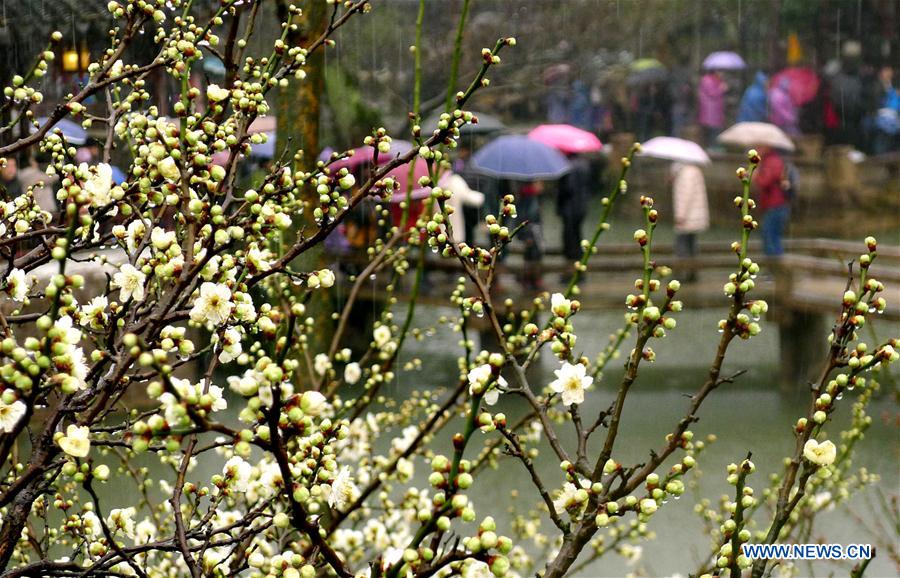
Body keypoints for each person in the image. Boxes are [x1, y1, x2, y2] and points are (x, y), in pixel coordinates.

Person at [670, 162, 709, 283]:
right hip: (694, 215)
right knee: (691, 245)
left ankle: (681, 272)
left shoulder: (686, 173)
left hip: (688, 216)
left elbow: (685, 196)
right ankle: (692, 272)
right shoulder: (694, 171)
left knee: (682, 245)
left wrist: (680, 215)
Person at [753, 147, 791, 258]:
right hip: (776, 205)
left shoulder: (772, 162)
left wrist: (756, 174)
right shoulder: (771, 161)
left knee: (770, 236)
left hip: (775, 205)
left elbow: (765, 182)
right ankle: (775, 269)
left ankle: (775, 269)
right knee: (773, 236)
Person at [556, 154, 591, 270]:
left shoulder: (566, 167)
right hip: (581, 206)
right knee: (577, 235)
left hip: (569, 207)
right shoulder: (585, 165)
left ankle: (570, 270)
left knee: (569, 237)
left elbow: (567, 188)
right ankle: (579, 266)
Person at [698, 70, 727, 146]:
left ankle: (711, 147)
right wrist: (721, 88)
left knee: (712, 132)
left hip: (714, 111)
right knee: (713, 132)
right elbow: (712, 93)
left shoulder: (715, 80)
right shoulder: (708, 81)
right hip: (711, 112)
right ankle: (712, 149)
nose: (722, 74)